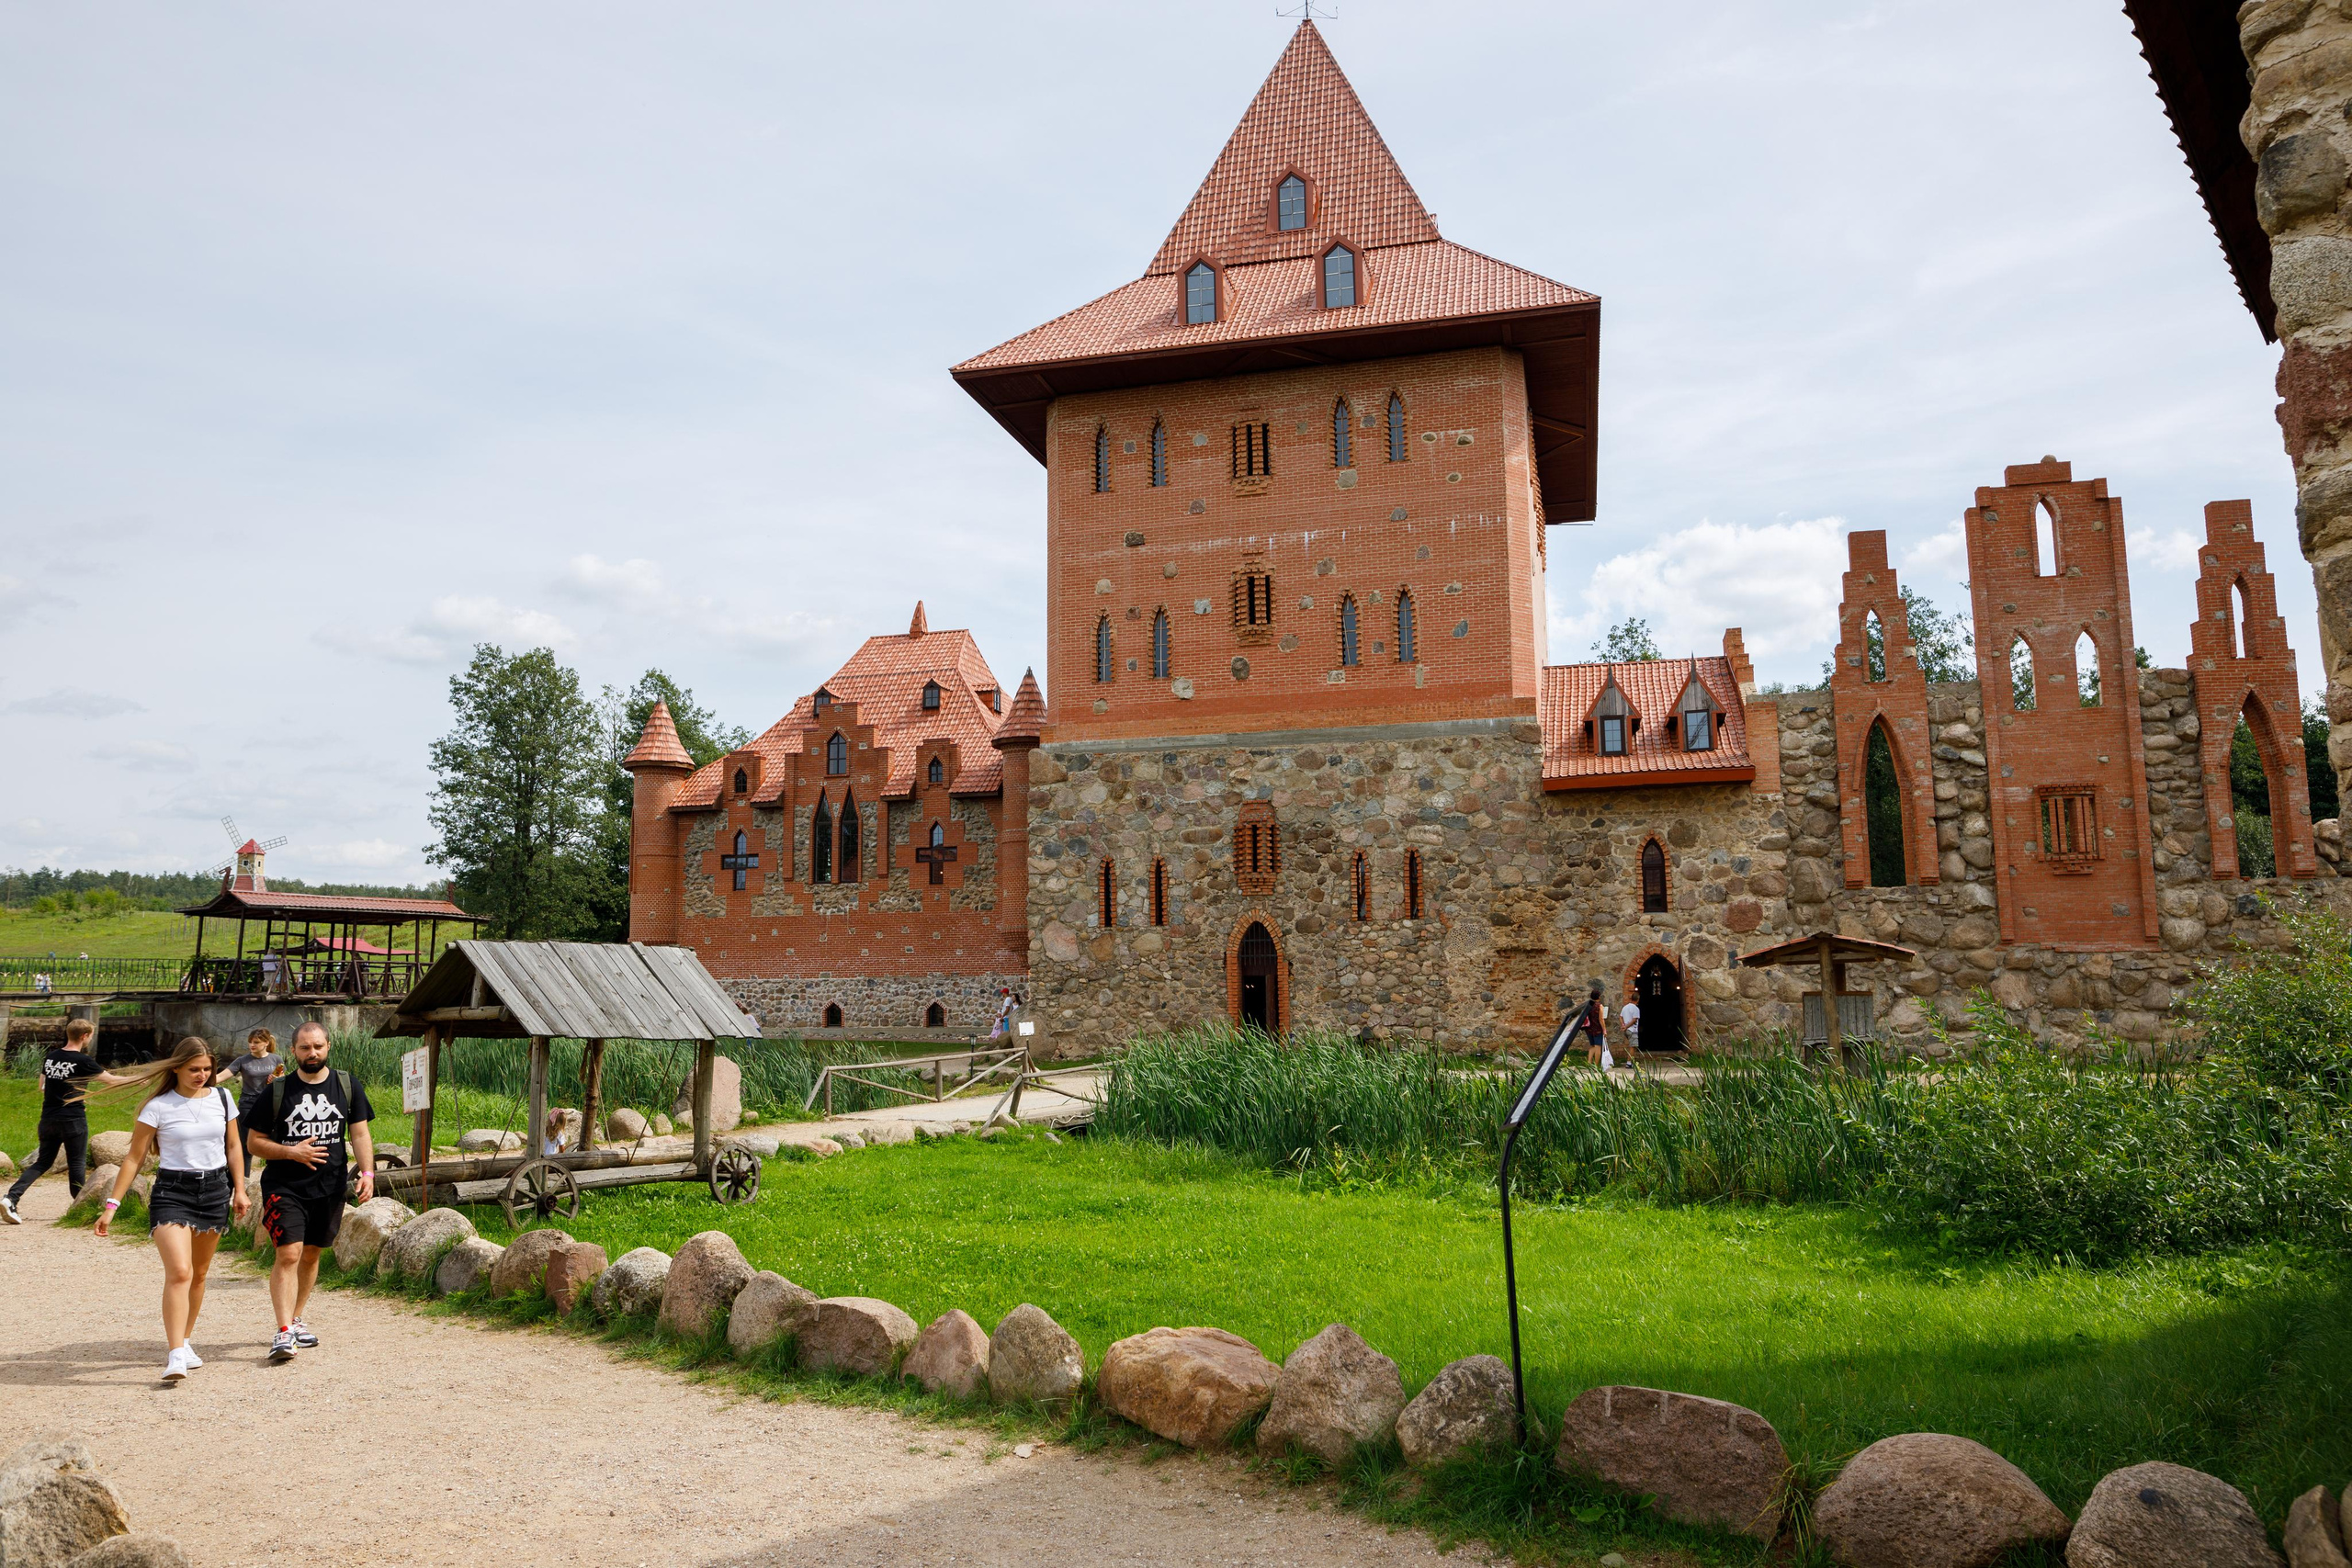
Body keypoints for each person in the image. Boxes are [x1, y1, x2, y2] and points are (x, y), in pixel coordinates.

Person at [92, 1036, 249, 1383]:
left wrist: (240, 1189)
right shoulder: (158, 1107)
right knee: (180, 1271)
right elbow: (133, 1158)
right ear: (176, 1067)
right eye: (194, 1069)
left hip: (214, 1190)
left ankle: (186, 1340)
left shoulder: (223, 1098)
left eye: (207, 1069)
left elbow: (234, 1146)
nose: (202, 1075)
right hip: (172, 1192)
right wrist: (111, 1207)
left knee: (200, 1273)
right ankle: (175, 1352)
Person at [246, 1021, 374, 1364]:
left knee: (313, 1254)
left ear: (328, 1046)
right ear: (294, 1051)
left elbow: (359, 1134)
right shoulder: (278, 1091)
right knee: (289, 1254)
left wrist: (367, 1172)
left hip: (330, 1186)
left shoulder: (347, 1085)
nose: (312, 1053)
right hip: (284, 1186)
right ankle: (284, 1330)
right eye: (305, 1047)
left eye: (317, 1046)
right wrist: (291, 1152)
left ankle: (297, 1317)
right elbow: (254, 1142)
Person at [3, 1018, 130, 1224]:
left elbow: (42, 1086)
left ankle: (11, 1198)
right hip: (73, 1120)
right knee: (77, 1163)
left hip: (48, 1119)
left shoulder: (52, 1057)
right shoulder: (83, 1061)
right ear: (84, 1036)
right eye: (90, 1036)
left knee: (43, 1162)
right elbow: (111, 1080)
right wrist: (141, 1078)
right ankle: (82, 1207)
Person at [1574, 983, 1609, 1068]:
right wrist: (1604, 1030)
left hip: (1589, 1029)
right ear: (1599, 997)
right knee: (1598, 1047)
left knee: (1592, 1046)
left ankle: (1589, 1062)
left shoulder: (1588, 1005)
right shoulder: (1599, 1006)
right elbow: (1601, 1019)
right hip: (1597, 1029)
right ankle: (1596, 1066)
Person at [1620, 993, 1642, 1058]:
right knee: (1633, 1046)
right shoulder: (1636, 1009)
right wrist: (1626, 1026)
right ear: (1637, 1000)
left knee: (1632, 1045)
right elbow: (1634, 1020)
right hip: (1632, 1030)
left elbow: (1620, 1017)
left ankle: (1631, 1061)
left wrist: (1623, 1025)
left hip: (1626, 1030)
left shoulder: (1625, 1007)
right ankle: (1629, 1063)